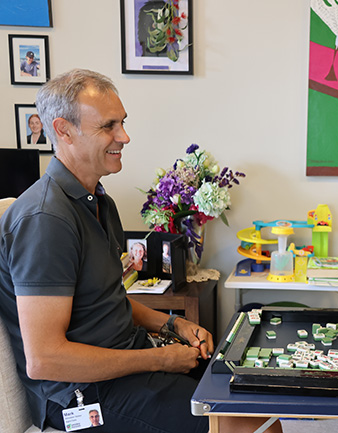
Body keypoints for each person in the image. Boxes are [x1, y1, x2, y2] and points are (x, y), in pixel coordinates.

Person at [0, 69, 282, 433]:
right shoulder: (45, 220)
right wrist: (159, 358)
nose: (124, 136)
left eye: (123, 123)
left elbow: (106, 298)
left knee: (251, 400)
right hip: (82, 395)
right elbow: (45, 360)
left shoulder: (99, 203)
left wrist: (173, 323)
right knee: (244, 426)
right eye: (108, 126)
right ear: (63, 130)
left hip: (127, 364)